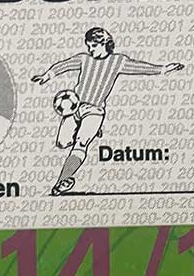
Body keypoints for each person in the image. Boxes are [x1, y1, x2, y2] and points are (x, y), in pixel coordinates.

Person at [31, 27, 184, 195]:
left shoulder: (117, 61)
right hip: (74, 109)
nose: (90, 50)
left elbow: (140, 67)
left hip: (94, 110)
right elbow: (64, 65)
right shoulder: (84, 59)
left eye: (93, 46)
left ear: (105, 43)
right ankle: (92, 130)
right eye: (89, 46)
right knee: (62, 143)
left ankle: (62, 181)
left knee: (81, 144)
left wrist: (164, 69)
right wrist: (47, 75)